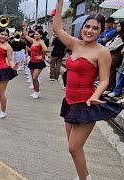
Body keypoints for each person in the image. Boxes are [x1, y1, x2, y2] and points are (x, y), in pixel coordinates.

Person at [53, 1, 123, 180]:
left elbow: (105, 79)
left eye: (95, 28)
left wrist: (94, 96)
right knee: (73, 148)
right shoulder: (75, 44)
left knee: (73, 147)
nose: (90, 30)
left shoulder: (102, 52)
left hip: (86, 102)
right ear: (82, 28)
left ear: (101, 31)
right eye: (87, 26)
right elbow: (57, 28)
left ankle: (85, 178)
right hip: (68, 101)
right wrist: (60, 2)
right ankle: (83, 175)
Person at [22, 20, 48, 99]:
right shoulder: (33, 41)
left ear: (41, 35)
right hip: (32, 61)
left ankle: (37, 92)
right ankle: (35, 91)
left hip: (39, 62)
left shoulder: (41, 42)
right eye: (35, 34)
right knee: (32, 79)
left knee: (34, 78)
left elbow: (45, 49)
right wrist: (24, 27)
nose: (35, 36)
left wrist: (42, 56)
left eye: (37, 34)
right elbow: (26, 36)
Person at [105, 21, 124, 92]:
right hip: (111, 53)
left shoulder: (122, 36)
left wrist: (108, 47)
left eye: (119, 26)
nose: (117, 27)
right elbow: (108, 44)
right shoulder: (117, 35)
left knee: (112, 69)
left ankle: (111, 86)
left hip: (117, 55)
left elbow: (113, 46)